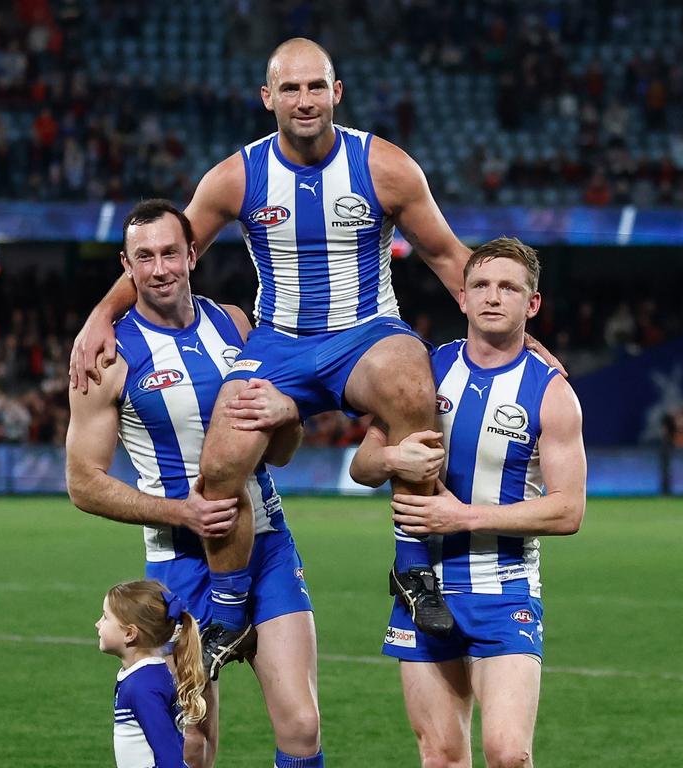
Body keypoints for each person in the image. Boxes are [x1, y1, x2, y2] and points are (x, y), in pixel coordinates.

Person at [70, 37, 494, 655]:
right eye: (290, 88)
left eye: (316, 86)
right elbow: (165, 249)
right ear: (268, 97)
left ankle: (412, 567)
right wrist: (100, 315)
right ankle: (230, 609)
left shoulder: (386, 167)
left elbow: (453, 259)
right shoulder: (237, 177)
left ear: (336, 93)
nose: (304, 100)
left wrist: (521, 340)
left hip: (366, 333)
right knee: (221, 464)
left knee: (413, 385)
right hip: (277, 343)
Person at [66, 200, 322, 768]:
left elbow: (280, 450)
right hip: (179, 562)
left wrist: (288, 415)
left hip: (268, 545)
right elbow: (83, 482)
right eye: (144, 257)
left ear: (192, 254)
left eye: (169, 253)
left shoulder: (234, 323)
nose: (160, 269)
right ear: (126, 267)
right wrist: (180, 512)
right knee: (192, 741)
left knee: (301, 725)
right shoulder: (107, 356)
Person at [349, 237, 587, 768]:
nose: (492, 297)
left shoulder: (552, 393)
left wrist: (464, 517)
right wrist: (394, 461)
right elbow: (362, 466)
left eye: (508, 287)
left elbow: (569, 509)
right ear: (462, 298)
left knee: (508, 753)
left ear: (532, 305)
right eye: (480, 285)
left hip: (504, 589)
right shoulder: (423, 372)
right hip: (422, 586)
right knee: (440, 756)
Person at [96, 579, 204, 768]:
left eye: (105, 617)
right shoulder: (144, 675)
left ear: (130, 634)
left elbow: (170, 759)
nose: (98, 624)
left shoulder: (142, 687)